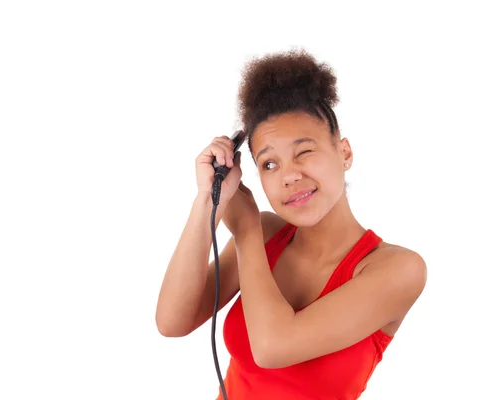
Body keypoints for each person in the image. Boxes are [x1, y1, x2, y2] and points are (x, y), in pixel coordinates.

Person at [155, 48, 427, 399]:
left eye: (304, 152)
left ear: (344, 153)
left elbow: (272, 348)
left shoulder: (398, 269)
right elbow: (172, 321)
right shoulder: (269, 235)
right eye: (269, 164)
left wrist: (247, 230)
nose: (290, 175)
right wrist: (208, 198)